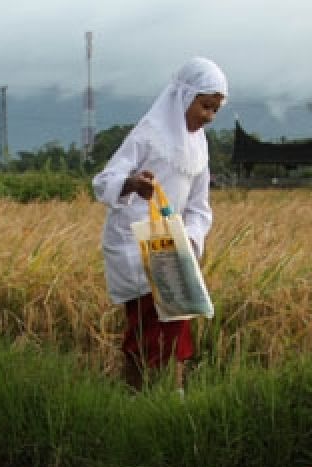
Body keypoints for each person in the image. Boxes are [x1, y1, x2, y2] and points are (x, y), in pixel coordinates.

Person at [92, 58, 227, 391]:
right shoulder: (148, 135)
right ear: (185, 96)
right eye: (204, 106)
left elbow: (200, 207)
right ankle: (136, 396)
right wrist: (133, 184)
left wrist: (189, 238)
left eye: (215, 110)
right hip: (133, 242)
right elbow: (104, 181)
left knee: (177, 323)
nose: (208, 117)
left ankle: (174, 395)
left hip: (170, 244)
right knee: (145, 326)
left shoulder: (200, 147)